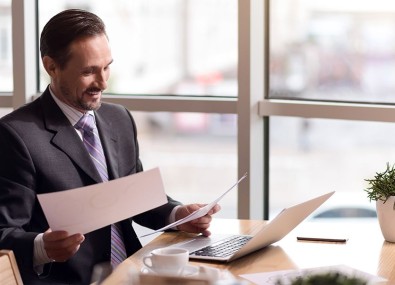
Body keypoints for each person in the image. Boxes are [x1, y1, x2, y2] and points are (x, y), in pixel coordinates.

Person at [0, 9, 220, 285]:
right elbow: (3, 232)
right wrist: (42, 247)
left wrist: (177, 215)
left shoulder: (119, 119)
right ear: (51, 66)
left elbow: (131, 199)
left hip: (133, 272)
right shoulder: (16, 135)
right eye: (89, 71)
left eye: (106, 67)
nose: (103, 82)